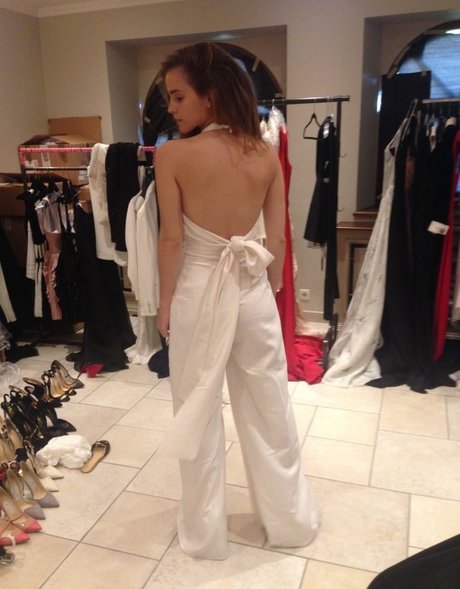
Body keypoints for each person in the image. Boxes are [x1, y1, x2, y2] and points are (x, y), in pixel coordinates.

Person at [155, 41, 319, 560]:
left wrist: (163, 304)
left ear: (210, 95)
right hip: (251, 291)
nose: (171, 108)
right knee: (269, 409)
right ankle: (289, 522)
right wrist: (265, 291)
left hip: (199, 293)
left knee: (197, 410)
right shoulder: (264, 154)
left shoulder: (172, 156)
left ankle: (205, 536)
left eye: (179, 96)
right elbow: (276, 240)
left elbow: (172, 240)